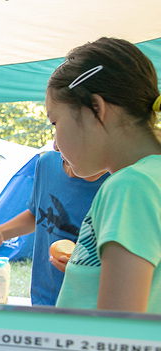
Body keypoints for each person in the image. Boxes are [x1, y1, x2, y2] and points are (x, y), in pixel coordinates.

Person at [46, 37, 161, 313]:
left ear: (95, 108)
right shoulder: (150, 178)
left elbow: (116, 338)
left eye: (55, 122)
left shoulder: (130, 187)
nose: (55, 143)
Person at [0, 150, 107, 306]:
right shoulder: (47, 164)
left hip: (86, 306)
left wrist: (83, 269)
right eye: (54, 126)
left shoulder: (117, 184)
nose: (56, 145)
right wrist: (1, 233)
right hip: (43, 297)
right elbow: (39, 213)